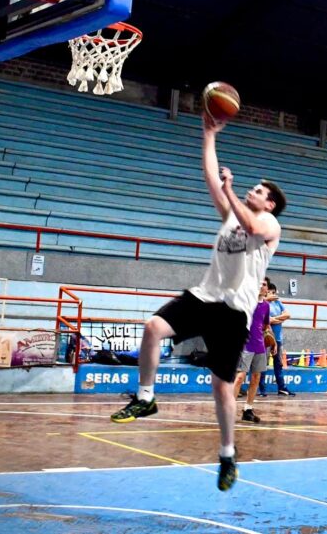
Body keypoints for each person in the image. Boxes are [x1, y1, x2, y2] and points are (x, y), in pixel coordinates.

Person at [109, 113, 286, 492]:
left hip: (234, 312)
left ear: (270, 203)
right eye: (251, 189)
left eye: (259, 190)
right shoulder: (231, 217)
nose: (253, 192)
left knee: (222, 388)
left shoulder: (270, 226)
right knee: (153, 328)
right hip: (205, 296)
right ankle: (145, 397)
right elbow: (210, 180)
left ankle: (226, 453)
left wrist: (232, 191)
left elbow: (252, 227)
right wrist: (208, 135)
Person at [233, 280, 271, 422]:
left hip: (260, 346)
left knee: (256, 378)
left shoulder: (266, 306)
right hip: (245, 345)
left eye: (264, 284)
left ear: (267, 289)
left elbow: (266, 324)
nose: (262, 286)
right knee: (240, 378)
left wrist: (271, 340)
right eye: (259, 284)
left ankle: (248, 409)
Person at [258, 281, 295, 396]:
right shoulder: (264, 304)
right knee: (262, 365)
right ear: (266, 292)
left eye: (274, 292)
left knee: (278, 364)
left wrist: (275, 318)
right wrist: (278, 319)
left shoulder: (278, 303)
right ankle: (262, 390)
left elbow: (288, 315)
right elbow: (267, 320)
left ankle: (282, 388)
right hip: (266, 339)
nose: (273, 295)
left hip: (278, 339)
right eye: (270, 292)